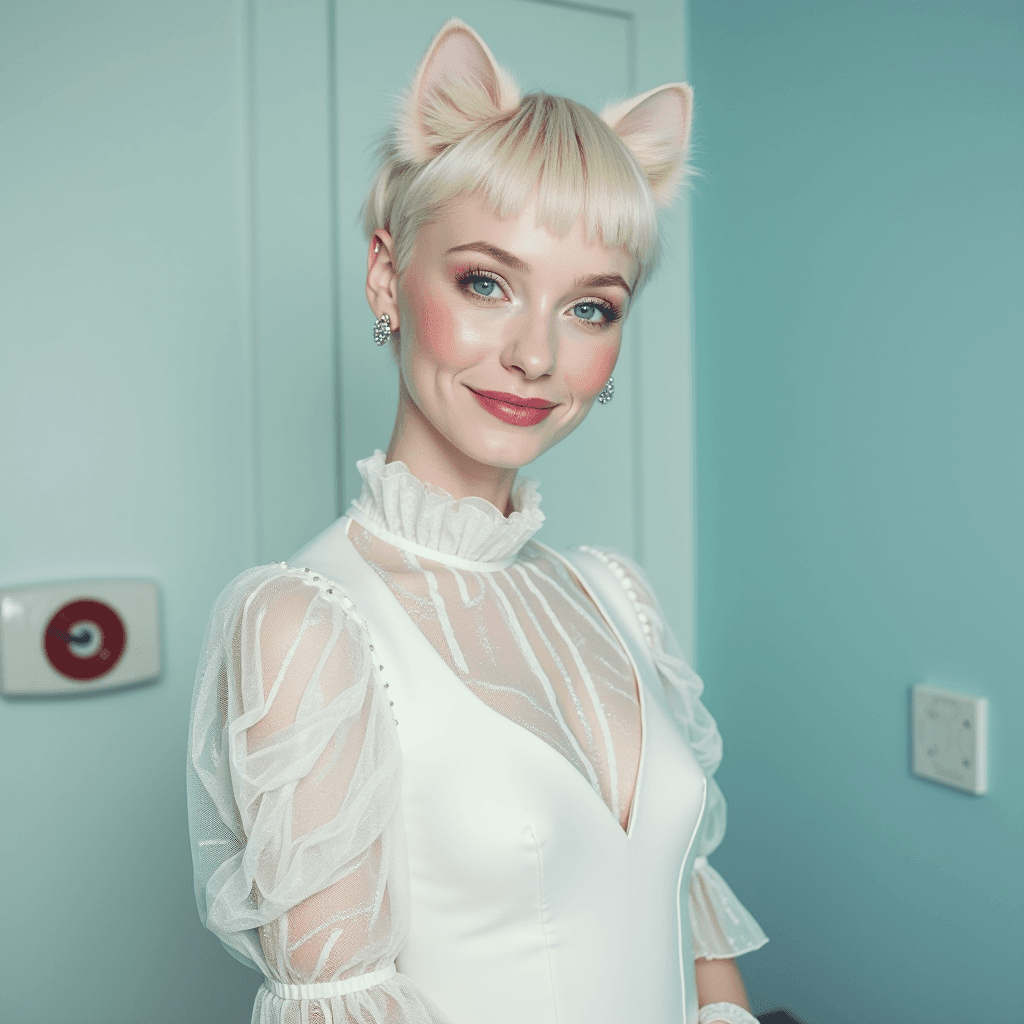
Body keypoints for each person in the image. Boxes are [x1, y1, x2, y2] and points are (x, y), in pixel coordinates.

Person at [187, 18, 767, 1024]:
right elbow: (339, 1002)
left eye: (590, 307)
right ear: (386, 279)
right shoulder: (308, 625)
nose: (536, 355)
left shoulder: (615, 592)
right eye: (486, 283)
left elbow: (687, 917)